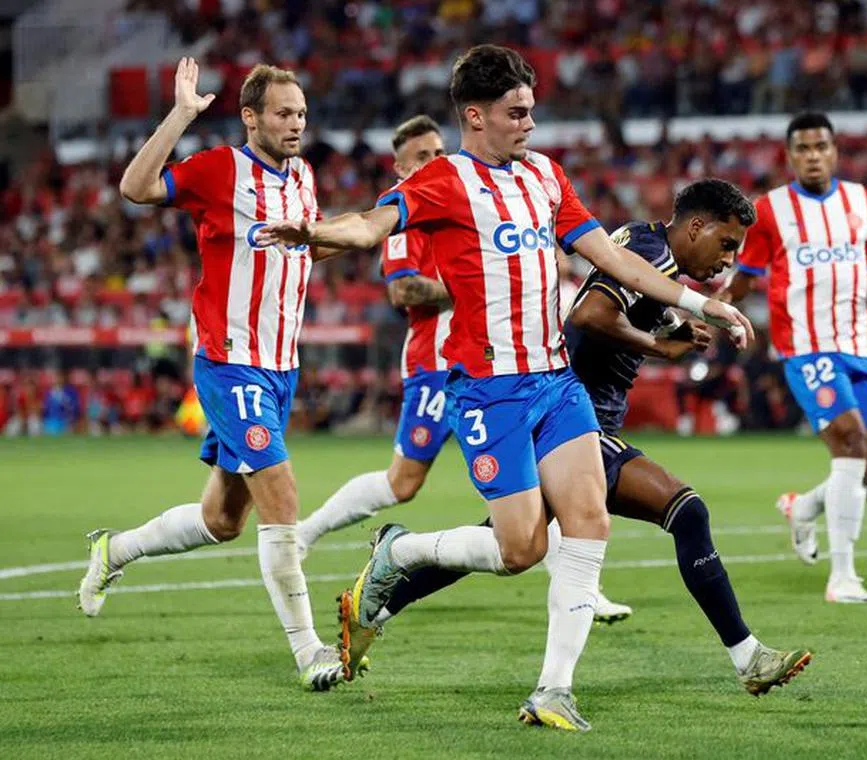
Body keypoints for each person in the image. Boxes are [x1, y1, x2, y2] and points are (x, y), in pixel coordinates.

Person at [258, 45, 752, 731]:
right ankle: (398, 553)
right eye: (517, 113)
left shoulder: (546, 177)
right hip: (488, 391)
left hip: (555, 382)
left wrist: (704, 305)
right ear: (475, 115)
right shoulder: (444, 180)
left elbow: (610, 260)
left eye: (531, 111)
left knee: (588, 524)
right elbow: (370, 225)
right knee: (520, 550)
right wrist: (314, 230)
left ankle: (553, 691)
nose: (530, 125)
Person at [337, 179, 812, 700]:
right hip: (570, 417)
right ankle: (746, 656)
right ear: (696, 226)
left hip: (570, 414)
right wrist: (657, 343)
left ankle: (380, 598)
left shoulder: (645, 243)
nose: (729, 259)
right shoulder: (653, 254)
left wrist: (670, 323)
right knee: (686, 510)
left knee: (507, 545)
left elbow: (615, 306)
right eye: (727, 243)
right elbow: (588, 316)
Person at [293, 115, 633, 624]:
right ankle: (310, 532)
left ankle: (583, 584)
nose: (434, 161)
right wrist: (488, 282)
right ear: (402, 166)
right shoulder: (408, 212)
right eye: (421, 157)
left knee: (553, 481)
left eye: (437, 151)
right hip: (439, 366)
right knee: (404, 483)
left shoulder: (479, 195)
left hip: (515, 365)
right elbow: (402, 291)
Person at [77, 59, 347, 691]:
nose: (295, 124)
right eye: (283, 113)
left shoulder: (304, 176)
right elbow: (137, 188)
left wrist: (371, 232)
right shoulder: (220, 167)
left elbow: (310, 246)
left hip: (283, 365)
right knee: (280, 494)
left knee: (224, 520)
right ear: (251, 116)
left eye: (301, 113)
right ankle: (310, 653)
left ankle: (113, 551)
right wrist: (181, 115)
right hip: (231, 360)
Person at [720, 112, 867, 605]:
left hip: (860, 345)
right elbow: (747, 275)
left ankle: (803, 507)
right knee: (849, 443)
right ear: (789, 156)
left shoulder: (862, 202)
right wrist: (717, 306)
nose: (812, 156)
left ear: (834, 151)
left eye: (820, 146)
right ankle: (842, 577)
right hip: (805, 345)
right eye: (802, 148)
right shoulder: (770, 211)